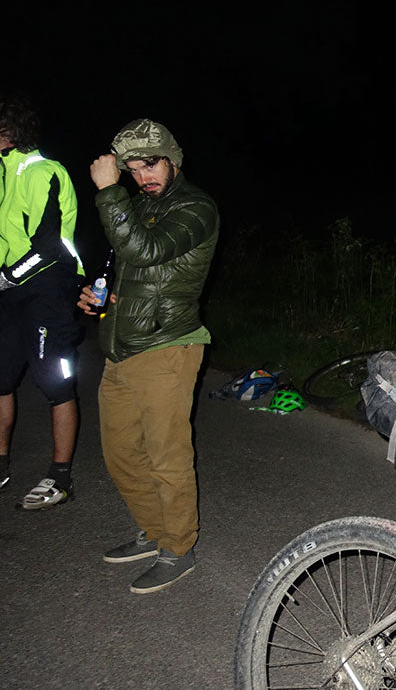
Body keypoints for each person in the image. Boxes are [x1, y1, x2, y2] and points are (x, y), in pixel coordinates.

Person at [77, 118, 219, 594]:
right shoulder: (139, 205)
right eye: (133, 169)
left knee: (166, 457)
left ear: (173, 159)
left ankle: (178, 548)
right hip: (121, 347)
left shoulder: (196, 207)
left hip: (170, 346)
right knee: (120, 454)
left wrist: (106, 191)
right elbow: (127, 266)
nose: (142, 176)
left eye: (150, 164)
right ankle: (153, 530)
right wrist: (102, 298)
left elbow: (146, 248)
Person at [0, 92, 85, 508]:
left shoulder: (44, 171)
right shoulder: (0, 172)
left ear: (9, 132)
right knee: (0, 379)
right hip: (9, 292)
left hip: (49, 287)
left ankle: (60, 477)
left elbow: (49, 246)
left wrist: (7, 276)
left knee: (55, 382)